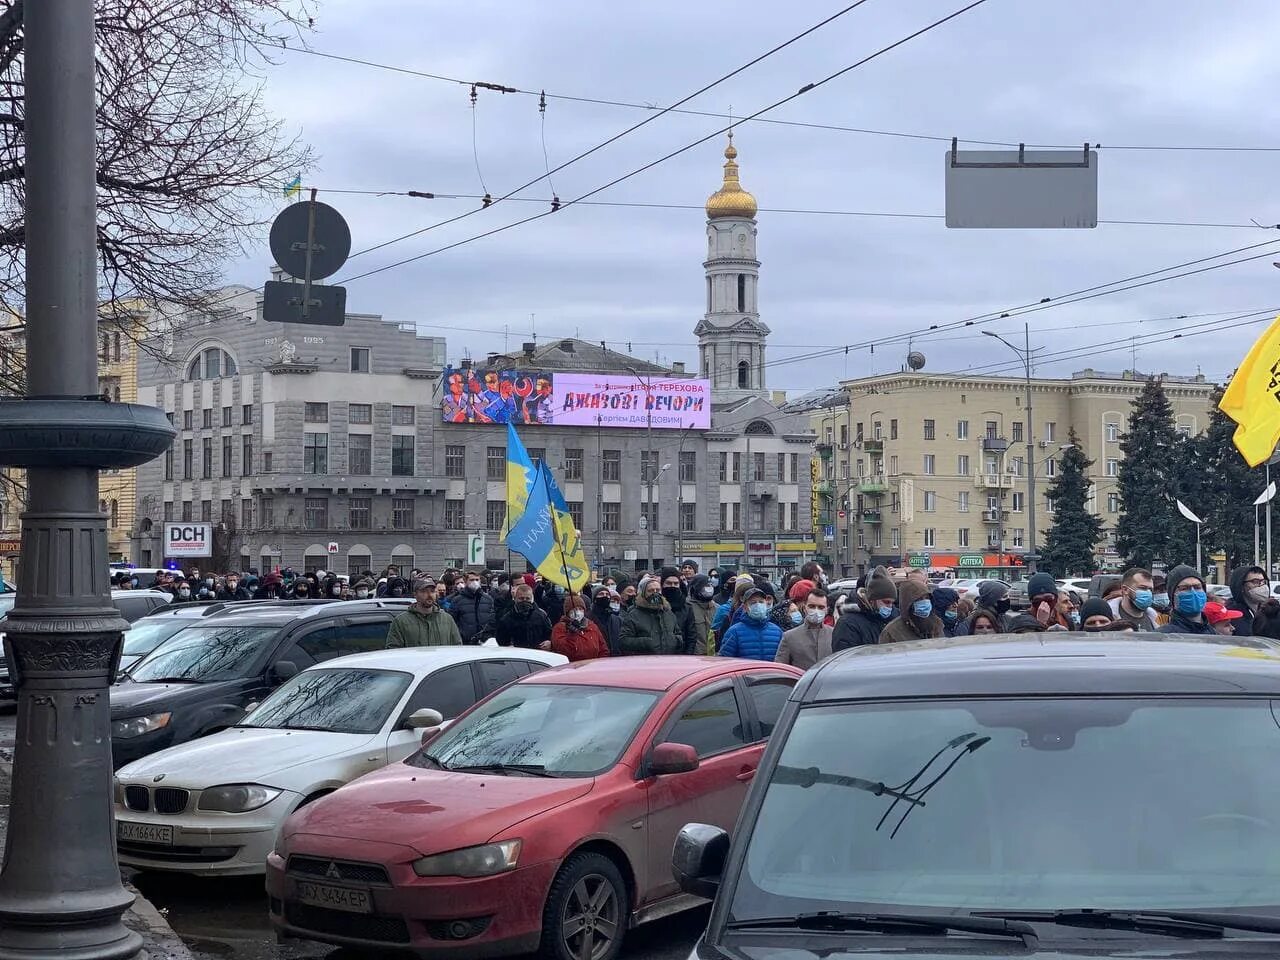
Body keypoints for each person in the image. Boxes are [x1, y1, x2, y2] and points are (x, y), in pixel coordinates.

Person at [386, 579, 463, 648]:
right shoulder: (401, 622)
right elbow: (393, 651)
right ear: (415, 594)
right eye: (424, 591)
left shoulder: (447, 619)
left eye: (432, 591)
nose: (429, 595)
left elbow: (457, 648)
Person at [619, 578, 684, 655]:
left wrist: (675, 640)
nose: (655, 593)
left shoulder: (668, 613)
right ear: (643, 593)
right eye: (651, 591)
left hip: (668, 660)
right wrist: (646, 642)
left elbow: (678, 634)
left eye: (658, 590)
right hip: (645, 662)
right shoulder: (634, 615)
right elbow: (623, 640)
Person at [832, 575, 896, 651]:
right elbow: (846, 657)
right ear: (872, 600)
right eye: (886, 602)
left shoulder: (891, 619)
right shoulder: (847, 623)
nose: (890, 607)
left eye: (892, 603)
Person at [720, 587, 785, 661]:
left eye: (761, 602)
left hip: (771, 672)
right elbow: (724, 661)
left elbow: (783, 660)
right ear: (745, 607)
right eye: (753, 603)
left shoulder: (777, 631)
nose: (758, 605)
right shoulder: (734, 632)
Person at [775, 588, 833, 669]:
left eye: (821, 607)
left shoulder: (833, 634)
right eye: (812, 606)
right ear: (804, 607)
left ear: (827, 610)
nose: (816, 611)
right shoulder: (790, 636)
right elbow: (780, 669)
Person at [489, 582, 554, 649]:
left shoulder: (541, 616)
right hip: (518, 656)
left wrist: (549, 642)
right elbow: (501, 641)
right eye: (521, 598)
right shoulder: (506, 619)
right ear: (515, 598)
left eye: (527, 598)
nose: (524, 601)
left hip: (537, 654)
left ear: (532, 599)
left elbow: (549, 633)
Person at [880, 578, 944, 643]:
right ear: (908, 603)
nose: (925, 602)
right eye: (919, 599)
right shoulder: (892, 632)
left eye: (927, 598)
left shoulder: (937, 623)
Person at [1157, 565, 1215, 635]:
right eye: (1184, 588)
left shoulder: (1214, 635)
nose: (1193, 592)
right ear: (1172, 596)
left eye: (1197, 587)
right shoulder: (1162, 637)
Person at [1225, 565, 1280, 639]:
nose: (1261, 586)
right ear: (1241, 586)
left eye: (1263, 582)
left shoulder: (1269, 611)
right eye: (1255, 582)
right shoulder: (1233, 615)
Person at [550, 595, 610, 661]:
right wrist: (572, 633)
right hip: (573, 668)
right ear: (568, 612)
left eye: (580, 609)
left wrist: (598, 664)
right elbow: (563, 651)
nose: (578, 612)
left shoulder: (592, 626)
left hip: (592, 667)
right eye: (574, 609)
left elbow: (603, 649)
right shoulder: (560, 628)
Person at [451, 570, 495, 644]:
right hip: (466, 642)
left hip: (485, 642)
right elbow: (453, 621)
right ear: (465, 582)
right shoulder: (457, 600)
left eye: (477, 580)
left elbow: (492, 620)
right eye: (471, 580)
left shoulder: (488, 599)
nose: (475, 582)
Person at [687, 573, 719, 655]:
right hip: (696, 656)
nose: (709, 588)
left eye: (710, 585)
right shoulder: (688, 608)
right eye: (705, 585)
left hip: (715, 656)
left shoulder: (717, 608)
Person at [588, 584, 622, 655]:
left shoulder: (616, 619)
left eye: (607, 594)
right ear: (594, 599)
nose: (605, 596)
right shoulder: (588, 619)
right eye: (601, 594)